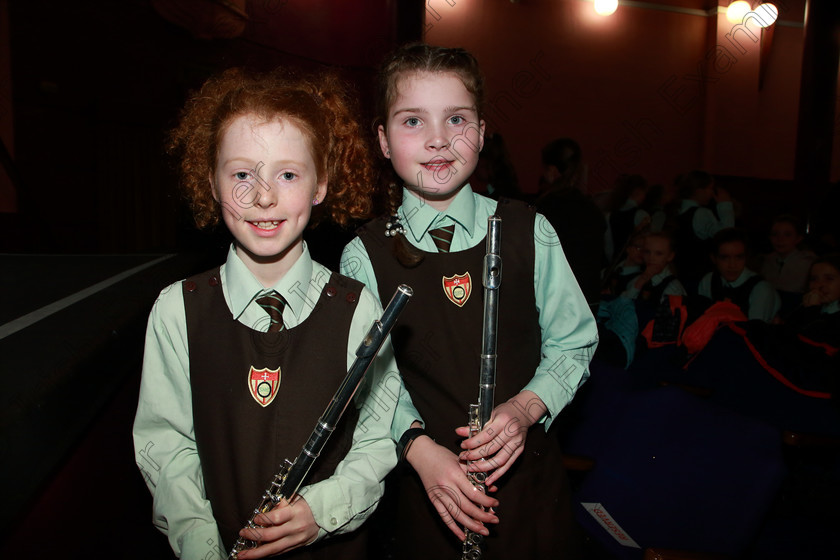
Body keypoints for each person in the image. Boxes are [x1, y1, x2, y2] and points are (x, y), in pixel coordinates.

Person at [339, 43, 598, 559]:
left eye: (456, 119)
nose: (438, 139)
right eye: (412, 121)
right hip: (425, 495)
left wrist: (526, 408)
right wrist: (419, 449)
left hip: (532, 500)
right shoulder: (362, 255)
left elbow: (575, 343)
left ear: (480, 132)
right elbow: (369, 382)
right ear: (383, 141)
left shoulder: (531, 230)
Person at [132, 68, 400, 560]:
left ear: (320, 185)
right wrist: (201, 545)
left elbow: (378, 438)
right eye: (241, 174)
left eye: (288, 174)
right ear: (211, 183)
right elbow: (166, 445)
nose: (263, 196)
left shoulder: (357, 304)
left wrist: (325, 508)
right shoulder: (176, 310)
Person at [534, 137, 607, 308]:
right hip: (588, 296)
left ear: (551, 170)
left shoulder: (545, 207)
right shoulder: (591, 208)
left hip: (556, 298)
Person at [697, 228, 780, 323]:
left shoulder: (760, 289)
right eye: (724, 258)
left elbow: (755, 332)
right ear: (714, 258)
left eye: (739, 257)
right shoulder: (708, 281)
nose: (732, 265)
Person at [674, 170, 735, 292]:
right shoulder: (701, 213)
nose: (712, 193)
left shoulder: (675, 210)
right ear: (698, 191)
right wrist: (725, 205)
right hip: (698, 276)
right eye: (710, 188)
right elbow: (725, 236)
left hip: (679, 273)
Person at [759, 215, 816, 319]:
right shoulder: (765, 261)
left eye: (787, 235)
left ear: (798, 238)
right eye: (775, 234)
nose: (780, 239)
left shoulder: (808, 263)